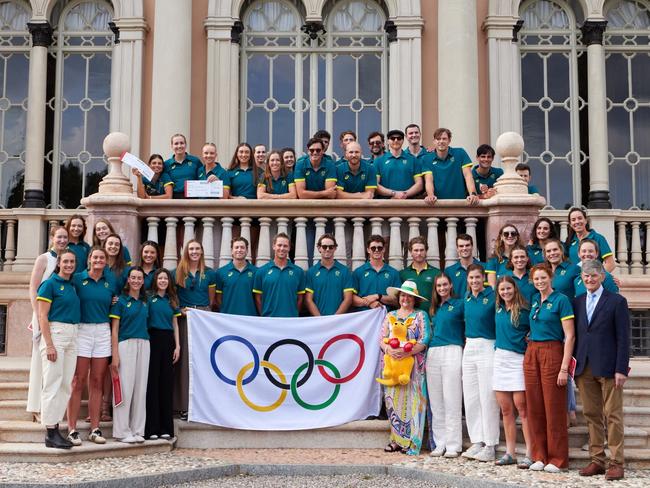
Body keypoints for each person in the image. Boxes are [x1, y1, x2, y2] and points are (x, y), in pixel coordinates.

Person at [574, 260, 630, 481]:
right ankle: (597, 459)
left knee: (613, 415)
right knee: (591, 414)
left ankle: (616, 462)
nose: (589, 279)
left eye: (593, 276)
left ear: (602, 276)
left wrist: (621, 368)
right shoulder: (577, 302)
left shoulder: (616, 301)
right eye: (586, 276)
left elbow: (624, 338)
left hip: (609, 367)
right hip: (584, 366)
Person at [525, 263, 575, 473]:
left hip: (553, 352)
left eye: (543, 278)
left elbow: (570, 336)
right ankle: (539, 455)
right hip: (532, 352)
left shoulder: (561, 300)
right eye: (536, 279)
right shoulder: (536, 300)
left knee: (553, 406)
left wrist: (564, 368)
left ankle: (557, 459)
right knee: (534, 406)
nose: (540, 282)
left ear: (550, 277)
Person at [66, 247, 116, 446]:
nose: (98, 260)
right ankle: (72, 429)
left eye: (102, 258)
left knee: (97, 380)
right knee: (78, 380)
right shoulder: (77, 279)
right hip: (82, 330)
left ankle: (95, 429)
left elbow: (116, 302)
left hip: (103, 330)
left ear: (105, 261)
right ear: (89, 259)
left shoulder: (110, 281)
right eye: (95, 257)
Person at [37, 249, 80, 449]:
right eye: (66, 262)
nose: (69, 265)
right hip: (56, 334)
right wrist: (49, 344)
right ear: (59, 263)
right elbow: (42, 316)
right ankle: (50, 432)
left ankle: (56, 429)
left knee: (65, 384)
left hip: (73, 334)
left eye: (72, 262)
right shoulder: (49, 284)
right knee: (52, 383)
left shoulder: (72, 285)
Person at [380, 281, 430, 455]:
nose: (405, 299)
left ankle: (412, 441)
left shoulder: (420, 315)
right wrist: (389, 350)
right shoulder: (390, 315)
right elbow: (382, 338)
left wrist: (408, 353)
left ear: (414, 299)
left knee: (414, 402)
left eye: (409, 296)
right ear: (398, 297)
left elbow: (425, 339)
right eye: (403, 295)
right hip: (393, 366)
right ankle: (396, 439)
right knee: (393, 403)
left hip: (414, 367)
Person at [26, 226, 69, 423]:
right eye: (59, 237)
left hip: (60, 318)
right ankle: (36, 406)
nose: (62, 240)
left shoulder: (68, 259)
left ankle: (53, 407)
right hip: (43, 315)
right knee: (40, 362)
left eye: (65, 237)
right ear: (52, 238)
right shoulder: (44, 259)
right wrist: (37, 314)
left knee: (54, 366)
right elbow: (34, 288)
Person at [172, 240, 216, 419]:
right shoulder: (177, 272)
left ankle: (205, 403)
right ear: (186, 252)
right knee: (185, 362)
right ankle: (184, 405)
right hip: (186, 317)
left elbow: (211, 299)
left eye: (197, 248)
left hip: (203, 317)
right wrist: (179, 310)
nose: (194, 252)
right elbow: (172, 296)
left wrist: (204, 312)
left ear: (202, 251)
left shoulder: (209, 273)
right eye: (191, 249)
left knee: (204, 360)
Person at [461, 264, 500, 462]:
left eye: (477, 278)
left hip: (487, 345)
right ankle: (477, 440)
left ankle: (490, 444)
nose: (474, 281)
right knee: (471, 396)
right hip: (470, 346)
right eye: (471, 278)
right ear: (467, 280)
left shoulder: (492, 296)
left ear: (483, 278)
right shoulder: (466, 298)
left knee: (487, 396)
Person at [493, 276, 533, 468]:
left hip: (517, 360)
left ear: (514, 289)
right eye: (502, 289)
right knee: (506, 410)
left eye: (508, 288)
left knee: (522, 409)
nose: (506, 292)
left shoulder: (524, 311)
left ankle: (530, 453)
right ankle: (510, 452)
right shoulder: (498, 310)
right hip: (500, 359)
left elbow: (534, 330)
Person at [109, 267, 150, 443]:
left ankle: (138, 429)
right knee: (125, 388)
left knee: (140, 389)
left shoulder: (145, 301)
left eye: (139, 278)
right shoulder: (120, 301)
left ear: (143, 281)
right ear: (128, 280)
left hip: (144, 343)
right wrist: (115, 355)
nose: (136, 281)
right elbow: (115, 330)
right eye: (133, 277)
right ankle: (121, 431)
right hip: (125, 344)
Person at [426, 274, 464, 458]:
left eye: (445, 284)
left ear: (450, 285)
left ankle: (453, 445)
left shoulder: (459, 304)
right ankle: (439, 443)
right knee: (436, 401)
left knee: (452, 398)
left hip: (452, 350)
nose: (442, 288)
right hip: (433, 352)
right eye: (439, 285)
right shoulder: (434, 308)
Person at [145, 268, 181, 441]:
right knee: (152, 383)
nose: (163, 281)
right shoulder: (149, 298)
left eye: (165, 278)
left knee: (166, 384)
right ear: (155, 280)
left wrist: (178, 346)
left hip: (168, 341)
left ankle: (166, 428)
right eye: (160, 278)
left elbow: (175, 323)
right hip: (152, 338)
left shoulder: (171, 300)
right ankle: (151, 428)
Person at [253, 233, 305, 317]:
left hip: (291, 319)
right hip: (269, 320)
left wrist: (294, 315)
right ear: (274, 246)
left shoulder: (299, 272)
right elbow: (258, 298)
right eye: (279, 245)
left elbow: (300, 299)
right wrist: (264, 316)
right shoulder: (261, 271)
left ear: (289, 248)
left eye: (285, 246)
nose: (282, 248)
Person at [423, 128, 478, 204]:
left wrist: (473, 194)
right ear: (434, 141)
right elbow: (429, 180)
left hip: (460, 203)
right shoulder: (426, 159)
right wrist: (430, 195)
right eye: (438, 139)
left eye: (444, 139)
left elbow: (468, 176)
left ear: (449, 140)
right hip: (437, 204)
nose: (441, 141)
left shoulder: (460, 153)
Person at [304, 234, 354, 316]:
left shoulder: (344, 271)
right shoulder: (311, 272)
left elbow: (348, 299)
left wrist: (334, 319)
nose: (327, 249)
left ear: (335, 248)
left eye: (331, 247)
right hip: (318, 321)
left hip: (338, 321)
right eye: (324, 246)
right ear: (319, 248)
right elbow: (308, 300)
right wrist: (320, 319)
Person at [352, 235, 400, 311]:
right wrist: (369, 303)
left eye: (380, 248)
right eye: (373, 248)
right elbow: (351, 298)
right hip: (364, 317)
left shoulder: (394, 273)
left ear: (384, 249)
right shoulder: (358, 272)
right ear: (368, 250)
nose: (376, 250)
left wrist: (379, 296)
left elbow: (398, 300)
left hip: (387, 318)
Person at [374, 129, 423, 199]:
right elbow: (375, 185)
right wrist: (393, 193)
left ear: (403, 141)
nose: (396, 140)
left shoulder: (413, 160)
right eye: (392, 138)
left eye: (399, 138)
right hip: (386, 204)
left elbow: (419, 184)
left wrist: (404, 194)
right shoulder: (378, 161)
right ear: (388, 141)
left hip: (408, 203)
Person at [215, 237, 258, 316]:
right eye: (236, 247)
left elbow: (258, 298)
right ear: (232, 250)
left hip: (250, 317)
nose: (239, 250)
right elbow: (218, 299)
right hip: (228, 318)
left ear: (247, 250)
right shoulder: (221, 272)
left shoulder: (256, 272)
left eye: (242, 247)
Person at [565, 207, 615, 272]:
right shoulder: (569, 241)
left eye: (580, 218)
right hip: (575, 281)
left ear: (585, 220)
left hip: (592, 280)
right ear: (570, 224)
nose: (577, 221)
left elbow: (610, 264)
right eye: (573, 220)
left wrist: (598, 277)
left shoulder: (598, 238)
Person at [400, 237, 440, 312]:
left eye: (422, 250)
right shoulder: (403, 274)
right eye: (416, 250)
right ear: (410, 252)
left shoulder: (437, 273)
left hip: (431, 318)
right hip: (409, 318)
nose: (419, 253)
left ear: (426, 251)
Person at [164, 133, 201, 199]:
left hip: (193, 199)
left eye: (182, 143)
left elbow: (203, 177)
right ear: (172, 146)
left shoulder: (195, 161)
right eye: (176, 143)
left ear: (186, 145)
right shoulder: (166, 164)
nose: (179, 146)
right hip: (174, 199)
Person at [487, 224, 522, 289]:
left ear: (517, 237)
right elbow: (492, 286)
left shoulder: (524, 257)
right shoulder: (494, 259)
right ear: (501, 237)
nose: (510, 236)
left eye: (513, 234)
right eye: (506, 234)